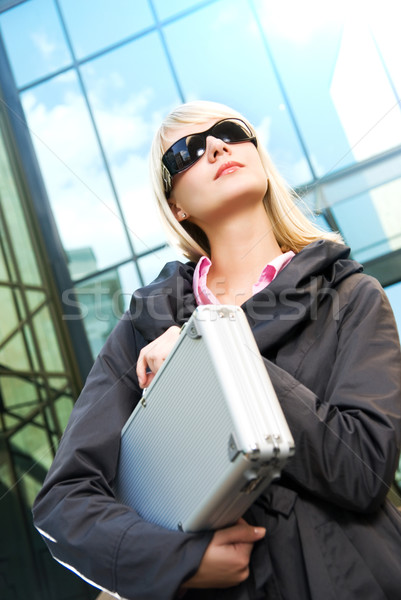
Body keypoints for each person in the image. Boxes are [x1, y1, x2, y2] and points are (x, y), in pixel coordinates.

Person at [33, 100, 401, 600]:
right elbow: (65, 503)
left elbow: (363, 471)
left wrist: (212, 353)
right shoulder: (145, 326)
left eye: (230, 131)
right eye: (186, 152)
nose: (215, 146)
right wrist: (177, 562)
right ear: (177, 205)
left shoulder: (353, 296)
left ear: (256, 155)